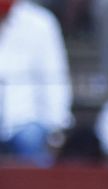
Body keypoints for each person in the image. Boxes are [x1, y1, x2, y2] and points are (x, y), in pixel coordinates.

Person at [0, 0, 72, 167]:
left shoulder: (40, 22)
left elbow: (55, 77)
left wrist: (58, 128)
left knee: (32, 142)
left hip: (25, 121)